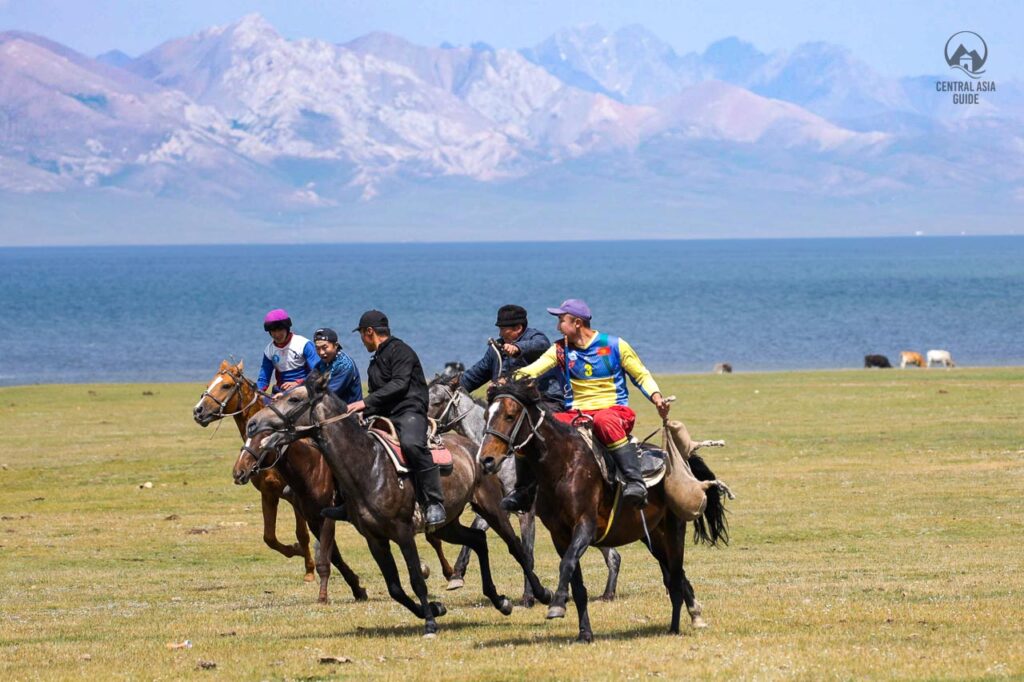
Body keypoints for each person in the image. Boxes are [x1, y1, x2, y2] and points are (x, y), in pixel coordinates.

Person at [510, 298, 670, 510]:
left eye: (561, 321)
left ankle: (635, 482)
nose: (558, 327)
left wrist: (656, 397)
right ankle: (523, 491)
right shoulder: (559, 350)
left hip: (614, 412)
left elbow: (641, 375)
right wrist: (510, 379)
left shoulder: (615, 345)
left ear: (577, 323)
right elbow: (533, 370)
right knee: (535, 428)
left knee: (604, 420)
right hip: (576, 415)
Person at [329, 310, 446, 527]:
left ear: (369, 332)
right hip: (384, 413)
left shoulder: (402, 351)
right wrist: (363, 411)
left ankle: (434, 502)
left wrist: (365, 403)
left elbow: (399, 384)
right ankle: (349, 502)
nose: (363, 341)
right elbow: (378, 394)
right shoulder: (375, 361)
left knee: (412, 445)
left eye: (362, 335)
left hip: (409, 411)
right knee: (346, 444)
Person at [460, 304, 562, 406]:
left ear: (518, 328)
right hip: (508, 407)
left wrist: (517, 347)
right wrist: (450, 387)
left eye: (502, 329)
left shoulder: (536, 337)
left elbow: (541, 344)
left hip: (544, 402)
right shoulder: (496, 350)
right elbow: (473, 377)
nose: (500, 334)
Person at [256, 309, 320, 398]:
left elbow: (318, 372)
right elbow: (263, 379)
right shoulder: (269, 350)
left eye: (280, 330)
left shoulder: (304, 344)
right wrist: (256, 393)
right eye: (273, 331)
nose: (277, 334)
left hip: (304, 389)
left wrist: (297, 383)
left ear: (287, 328)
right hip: (280, 393)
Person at [311, 327, 363, 405]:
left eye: (325, 347)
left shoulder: (345, 365)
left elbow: (329, 394)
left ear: (335, 345)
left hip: (350, 413)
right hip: (331, 410)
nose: (321, 352)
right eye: (318, 348)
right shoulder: (321, 364)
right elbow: (310, 382)